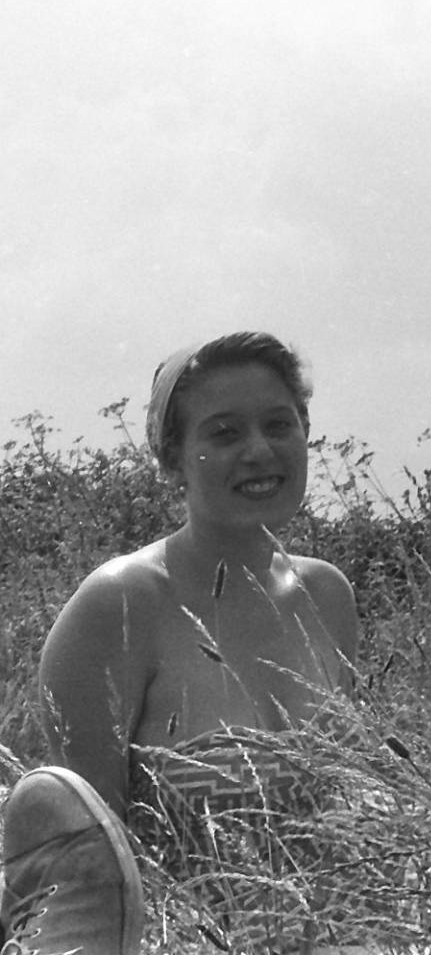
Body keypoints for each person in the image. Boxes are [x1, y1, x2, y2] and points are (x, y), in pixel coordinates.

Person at [1, 331, 359, 955]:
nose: (259, 451)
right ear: (172, 460)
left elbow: (339, 825)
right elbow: (87, 869)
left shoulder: (327, 598)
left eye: (280, 424)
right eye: (223, 433)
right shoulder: (120, 604)